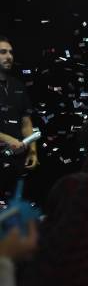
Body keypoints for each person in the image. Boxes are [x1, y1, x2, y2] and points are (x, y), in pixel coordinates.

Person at [0, 36, 38, 197]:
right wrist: (7, 139)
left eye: (11, 52)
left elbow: (26, 122)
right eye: (3, 52)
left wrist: (33, 150)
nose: (9, 56)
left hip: (16, 163)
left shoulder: (18, 86)